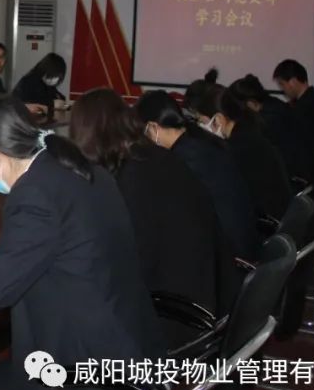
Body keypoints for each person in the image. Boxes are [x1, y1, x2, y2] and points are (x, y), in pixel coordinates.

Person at [0, 96, 159, 390]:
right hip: (127, 348)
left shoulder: (34, 194)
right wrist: (3, 243)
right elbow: (72, 243)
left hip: (88, 380)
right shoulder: (75, 167)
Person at [68, 88, 238, 320]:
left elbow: (131, 265)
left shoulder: (133, 177)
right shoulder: (154, 157)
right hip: (208, 291)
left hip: (178, 312)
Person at [136, 90, 260, 260]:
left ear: (152, 127)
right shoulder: (198, 143)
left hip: (230, 257)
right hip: (242, 245)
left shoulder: (183, 159)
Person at [189, 84, 295, 222]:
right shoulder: (247, 132)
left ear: (219, 119)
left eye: (202, 121)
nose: (201, 127)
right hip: (278, 215)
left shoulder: (238, 147)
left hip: (267, 222)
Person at [230, 73, 310, 182]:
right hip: (297, 172)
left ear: (250, 104)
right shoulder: (272, 105)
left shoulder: (268, 121)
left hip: (294, 178)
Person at [273, 59, 314, 157]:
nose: (283, 89)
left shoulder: (305, 108)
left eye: (282, 84)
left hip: (309, 159)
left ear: (293, 82)